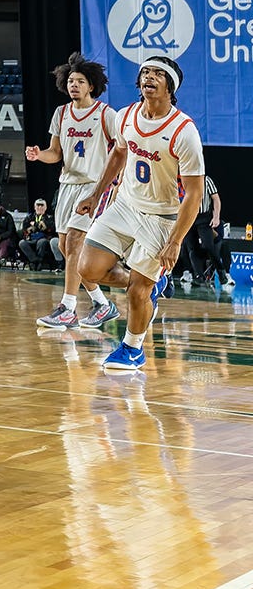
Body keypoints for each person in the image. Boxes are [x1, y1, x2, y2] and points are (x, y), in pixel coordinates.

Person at [79, 56, 206, 373]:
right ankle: (153, 284)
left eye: (158, 74)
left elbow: (195, 193)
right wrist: (96, 194)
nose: (149, 77)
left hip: (161, 217)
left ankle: (133, 349)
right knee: (87, 270)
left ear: (170, 86)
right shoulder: (125, 116)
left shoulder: (184, 131)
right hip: (124, 206)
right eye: (145, 72)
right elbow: (118, 154)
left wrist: (175, 241)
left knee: (138, 293)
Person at [26, 53, 127, 329]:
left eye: (80, 81)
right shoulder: (61, 113)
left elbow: (123, 150)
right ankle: (102, 304)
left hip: (94, 187)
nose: (74, 85)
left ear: (91, 85)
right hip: (67, 186)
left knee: (74, 243)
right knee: (67, 249)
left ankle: (67, 309)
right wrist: (39, 154)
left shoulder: (106, 114)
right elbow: (55, 153)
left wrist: (116, 182)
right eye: (71, 80)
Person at [20, 198, 60, 269]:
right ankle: (36, 260)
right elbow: (24, 230)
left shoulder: (50, 218)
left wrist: (46, 227)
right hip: (31, 239)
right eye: (38, 205)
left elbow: (54, 230)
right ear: (34, 207)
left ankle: (37, 263)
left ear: (46, 207)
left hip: (44, 238)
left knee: (41, 242)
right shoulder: (29, 217)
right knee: (22, 243)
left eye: (42, 205)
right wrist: (29, 230)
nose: (40, 207)